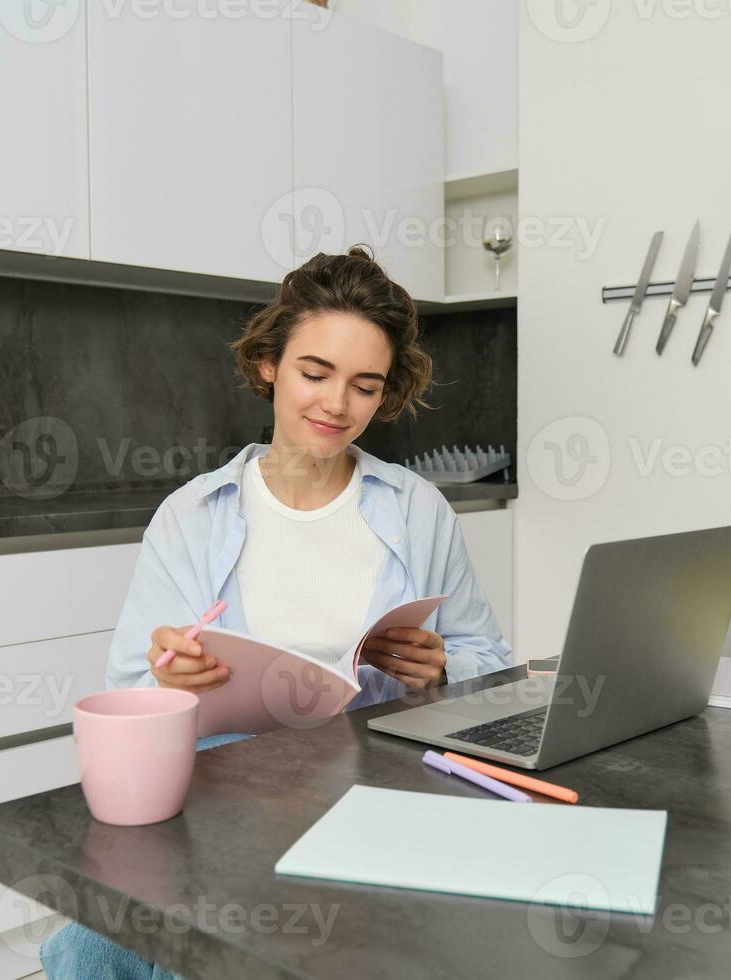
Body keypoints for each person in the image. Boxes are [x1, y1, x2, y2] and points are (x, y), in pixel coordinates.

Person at [41, 246, 513, 979]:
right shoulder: (193, 515)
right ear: (268, 364)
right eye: (314, 373)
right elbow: (131, 687)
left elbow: (492, 665)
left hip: (372, 775)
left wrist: (443, 665)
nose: (335, 405)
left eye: (363, 386)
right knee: (130, 926)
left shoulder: (418, 510)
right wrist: (173, 678)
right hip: (225, 777)